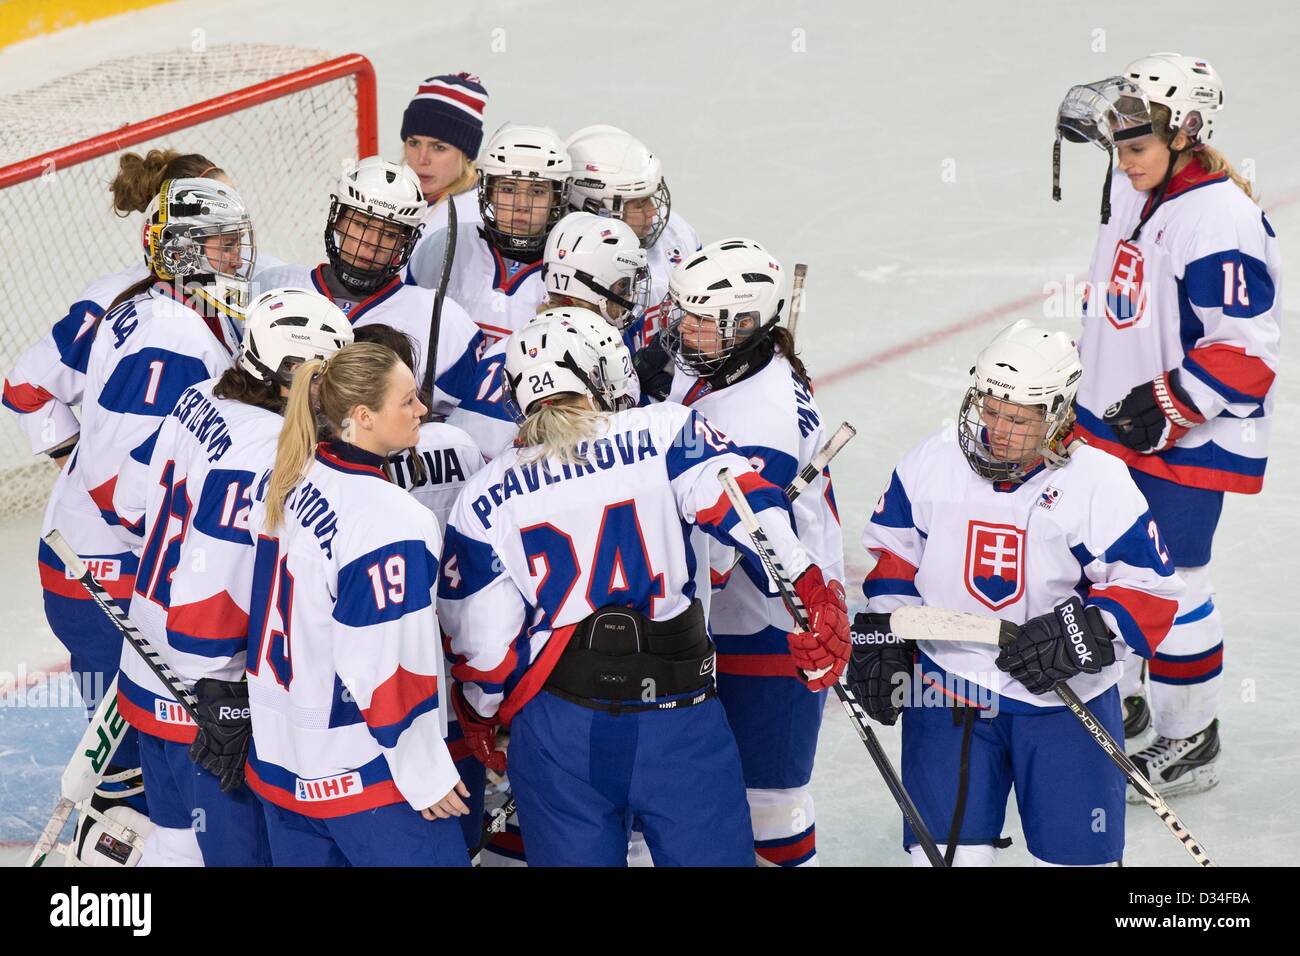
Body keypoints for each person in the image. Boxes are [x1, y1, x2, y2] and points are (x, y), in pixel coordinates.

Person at [437, 308, 849, 867]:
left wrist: (487, 717)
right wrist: (809, 588)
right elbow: (745, 504)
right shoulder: (663, 428)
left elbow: (480, 643)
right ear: (603, 371)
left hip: (559, 730)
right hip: (678, 716)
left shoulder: (484, 493)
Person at [852, 320, 1184, 866]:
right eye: (990, 409)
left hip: (1062, 703)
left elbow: (1150, 589)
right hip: (949, 691)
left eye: (1018, 419)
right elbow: (895, 559)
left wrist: (1086, 632)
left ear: (1055, 414)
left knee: (1081, 861)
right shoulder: (932, 462)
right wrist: (889, 629)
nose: (997, 429)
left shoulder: (1099, 482)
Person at [1053, 53, 1281, 795]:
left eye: (1138, 144)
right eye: (1117, 145)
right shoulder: (1134, 183)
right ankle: (1125, 697)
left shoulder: (1223, 222)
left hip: (1186, 441)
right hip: (1116, 427)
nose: (1124, 159)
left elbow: (1248, 351)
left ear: (1186, 133)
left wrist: (1172, 403)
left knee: (1176, 587)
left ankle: (1192, 739)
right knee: (1104, 568)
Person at [39, 176, 256, 863]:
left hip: (96, 562)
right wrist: (183, 546)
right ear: (183, 252)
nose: (235, 256)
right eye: (220, 244)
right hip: (105, 577)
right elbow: (120, 484)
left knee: (147, 768)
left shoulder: (162, 311)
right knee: (144, 780)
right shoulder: (171, 338)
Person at [105, 287, 353, 867]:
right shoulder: (274, 450)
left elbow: (126, 507)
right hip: (206, 700)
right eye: (328, 375)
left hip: (146, 672)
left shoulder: (198, 397)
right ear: (293, 374)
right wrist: (227, 694)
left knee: (175, 845)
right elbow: (205, 614)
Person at [243, 342, 470, 866]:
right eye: (408, 401)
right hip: (368, 779)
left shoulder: (289, 478)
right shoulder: (389, 518)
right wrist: (426, 773)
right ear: (363, 417)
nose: (421, 412)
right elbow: (385, 664)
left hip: (283, 769)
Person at [657, 238, 844, 866]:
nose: (685, 328)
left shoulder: (760, 418)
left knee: (772, 804)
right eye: (682, 311)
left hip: (774, 626)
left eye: (702, 320)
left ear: (744, 326)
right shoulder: (731, 363)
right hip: (738, 621)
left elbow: (715, 555)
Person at [4, 149, 223, 469]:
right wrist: (83, 478)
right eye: (223, 208)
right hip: (128, 510)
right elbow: (27, 385)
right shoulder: (112, 300)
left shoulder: (239, 283)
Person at [256, 156, 484, 417]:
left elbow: (462, 429)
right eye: (362, 225)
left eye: (389, 234)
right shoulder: (272, 286)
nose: (371, 243)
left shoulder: (443, 319)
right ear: (338, 220)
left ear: (405, 242)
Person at [447, 210, 648, 458]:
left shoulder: (506, 345)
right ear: (609, 287)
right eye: (626, 285)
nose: (629, 295)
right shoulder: (599, 351)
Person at [406, 124, 572, 346]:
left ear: (557, 198)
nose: (521, 205)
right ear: (488, 191)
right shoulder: (445, 246)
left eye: (537, 192)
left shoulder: (572, 265)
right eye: (508, 189)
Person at [565, 125, 701, 357]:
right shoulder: (566, 260)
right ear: (594, 207)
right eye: (637, 204)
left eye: (649, 199)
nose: (652, 213)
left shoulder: (677, 234)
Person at [399, 71, 489, 280]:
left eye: (438, 147)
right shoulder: (386, 197)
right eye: (413, 143)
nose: (422, 159)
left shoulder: (477, 218)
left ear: (466, 153)